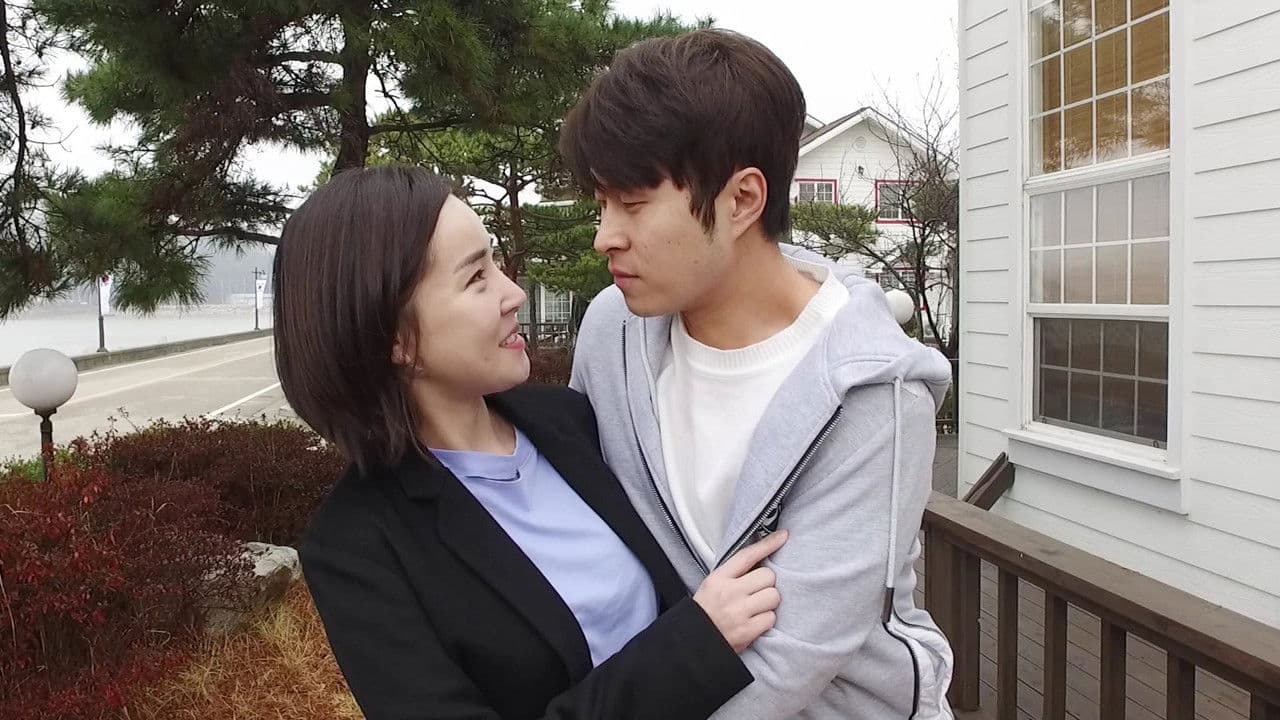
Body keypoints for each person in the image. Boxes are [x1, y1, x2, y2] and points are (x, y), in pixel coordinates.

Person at [273, 165, 789, 720]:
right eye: (476, 278)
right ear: (396, 339)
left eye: (496, 262)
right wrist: (692, 647)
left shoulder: (569, 421)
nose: (514, 292)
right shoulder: (357, 548)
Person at [561, 28, 955, 719]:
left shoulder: (876, 393)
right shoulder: (611, 329)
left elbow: (789, 661)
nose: (604, 237)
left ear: (741, 200)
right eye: (601, 204)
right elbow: (588, 530)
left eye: (633, 203)